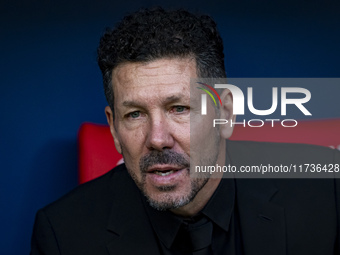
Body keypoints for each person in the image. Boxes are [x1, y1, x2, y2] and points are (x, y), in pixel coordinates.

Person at [31, 7, 340, 255]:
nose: (157, 139)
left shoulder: (326, 194)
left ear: (226, 113)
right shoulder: (62, 235)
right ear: (113, 127)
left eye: (179, 108)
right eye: (135, 114)